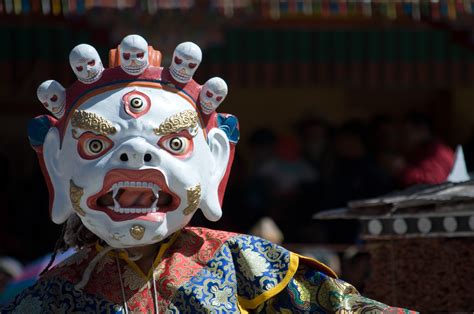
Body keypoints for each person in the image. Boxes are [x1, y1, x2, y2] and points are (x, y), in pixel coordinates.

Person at [2, 35, 415, 313]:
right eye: (96, 145)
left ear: (215, 159)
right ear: (56, 165)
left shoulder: (242, 263)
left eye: (175, 144)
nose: (134, 157)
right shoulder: (51, 296)